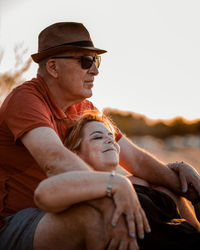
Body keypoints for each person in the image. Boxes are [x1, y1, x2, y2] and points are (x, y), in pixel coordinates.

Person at [0, 22, 200, 250]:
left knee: (164, 192)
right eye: (86, 61)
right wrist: (110, 192)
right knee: (99, 217)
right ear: (53, 68)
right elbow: (55, 161)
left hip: (67, 203)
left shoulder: (83, 107)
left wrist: (186, 186)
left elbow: (136, 160)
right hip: (22, 218)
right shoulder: (26, 99)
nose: (95, 70)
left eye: (97, 61)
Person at [35, 110, 200, 250]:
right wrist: (115, 183)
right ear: (75, 154)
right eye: (97, 137)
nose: (110, 141)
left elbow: (162, 179)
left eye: (112, 137)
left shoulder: (137, 182)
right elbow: (44, 193)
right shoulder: (79, 191)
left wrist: (179, 166)